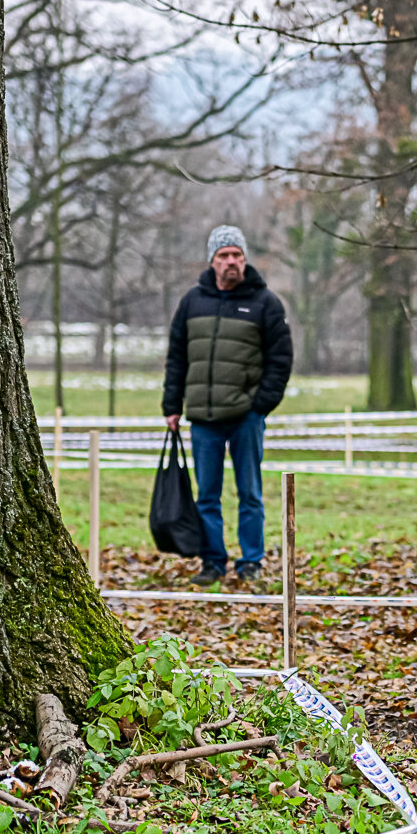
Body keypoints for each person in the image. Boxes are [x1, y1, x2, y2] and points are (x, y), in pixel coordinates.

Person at [163, 225, 294, 585]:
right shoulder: (192, 302)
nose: (231, 261)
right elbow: (177, 357)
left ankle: (251, 561)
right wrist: (172, 405)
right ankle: (213, 562)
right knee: (207, 496)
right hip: (203, 418)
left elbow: (280, 359)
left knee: (249, 494)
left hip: (245, 418)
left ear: (245, 259)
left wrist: (261, 405)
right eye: (224, 255)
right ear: (212, 260)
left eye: (237, 254)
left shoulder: (266, 303)